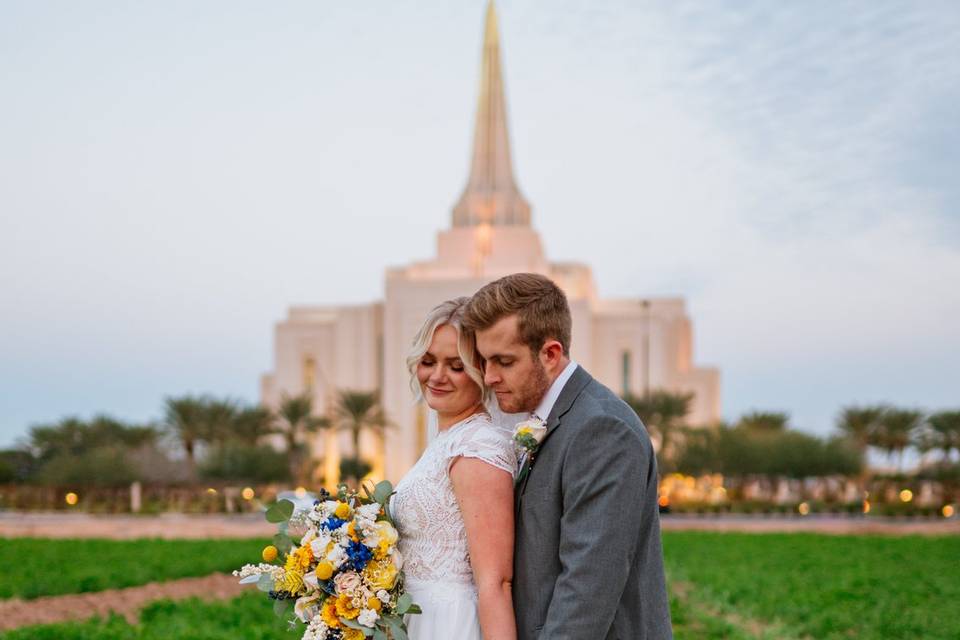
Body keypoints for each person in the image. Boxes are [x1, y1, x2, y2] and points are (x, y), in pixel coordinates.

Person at [463, 273, 672, 640]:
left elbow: (586, 590)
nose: (489, 377)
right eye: (484, 361)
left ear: (550, 354)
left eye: (504, 361)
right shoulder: (554, 416)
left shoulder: (603, 430)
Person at [392, 297, 518, 640]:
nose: (437, 376)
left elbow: (496, 582)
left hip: (448, 624)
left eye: (456, 366)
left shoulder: (477, 446)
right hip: (415, 618)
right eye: (428, 361)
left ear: (482, 371)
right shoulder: (446, 441)